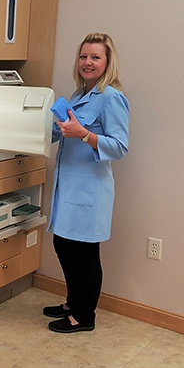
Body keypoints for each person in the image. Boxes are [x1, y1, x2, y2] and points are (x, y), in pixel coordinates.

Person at [43, 32, 130, 334]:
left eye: (95, 57)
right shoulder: (79, 96)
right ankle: (72, 302)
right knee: (64, 244)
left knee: (85, 254)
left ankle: (85, 316)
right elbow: (65, 134)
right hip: (68, 187)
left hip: (90, 190)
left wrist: (83, 134)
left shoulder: (111, 97)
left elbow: (119, 146)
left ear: (108, 62)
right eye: (83, 56)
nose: (88, 62)